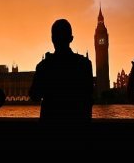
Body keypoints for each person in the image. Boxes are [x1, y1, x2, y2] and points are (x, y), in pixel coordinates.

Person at [29, 19, 93, 150]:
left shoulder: (44, 66)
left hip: (50, 134)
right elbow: (89, 98)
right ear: (71, 38)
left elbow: (34, 95)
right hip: (77, 133)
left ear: (52, 39)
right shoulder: (84, 64)